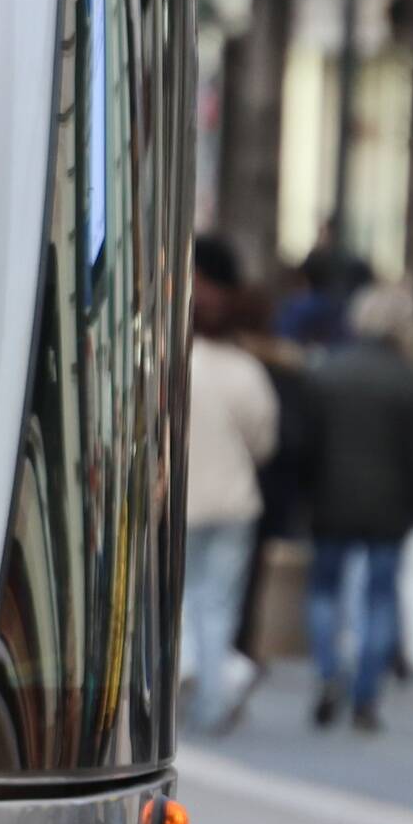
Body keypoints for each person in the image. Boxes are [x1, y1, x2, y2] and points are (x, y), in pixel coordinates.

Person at [299, 283, 413, 734]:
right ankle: (366, 694)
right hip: (391, 506)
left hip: (331, 500)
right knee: (380, 598)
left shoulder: (327, 372)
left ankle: (329, 673)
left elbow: (307, 445)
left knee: (325, 590)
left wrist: (305, 496)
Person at [182, 237, 281, 737]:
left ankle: (193, 675)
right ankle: (214, 701)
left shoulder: (168, 362)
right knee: (219, 602)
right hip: (234, 500)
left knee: (181, 599)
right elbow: (264, 441)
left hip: (180, 500)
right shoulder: (246, 372)